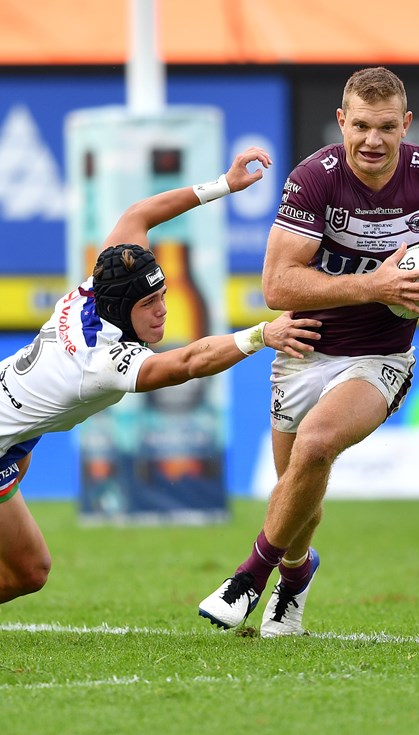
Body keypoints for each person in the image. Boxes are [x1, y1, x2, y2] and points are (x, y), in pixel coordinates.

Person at [198, 67, 419, 636]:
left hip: (381, 357)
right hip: (304, 350)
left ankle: (248, 578)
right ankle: (296, 575)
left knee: (317, 445)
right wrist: (375, 285)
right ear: (342, 121)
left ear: (406, 125)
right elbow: (277, 286)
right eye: (362, 126)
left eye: (387, 127)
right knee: (295, 490)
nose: (373, 140)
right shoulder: (314, 179)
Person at [0, 147, 322, 605]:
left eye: (163, 295)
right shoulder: (101, 361)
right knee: (31, 572)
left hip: (13, 437)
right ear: (120, 309)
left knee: (21, 466)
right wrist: (262, 334)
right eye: (148, 304)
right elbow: (187, 364)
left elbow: (139, 214)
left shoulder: (98, 285)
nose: (163, 310)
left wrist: (223, 184)